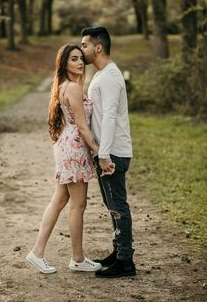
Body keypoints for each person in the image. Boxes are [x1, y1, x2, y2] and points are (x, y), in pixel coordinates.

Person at [26, 44, 112, 274]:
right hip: (74, 148)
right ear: (64, 63)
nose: (80, 62)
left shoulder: (63, 86)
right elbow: (83, 128)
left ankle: (37, 252)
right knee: (78, 204)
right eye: (74, 59)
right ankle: (77, 258)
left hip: (66, 146)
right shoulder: (72, 88)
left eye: (81, 58)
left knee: (60, 200)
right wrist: (100, 153)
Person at [81, 27, 136, 278]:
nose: (82, 50)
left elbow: (110, 117)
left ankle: (126, 262)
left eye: (85, 45)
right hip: (105, 151)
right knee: (110, 204)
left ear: (98, 47)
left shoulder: (111, 76)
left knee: (118, 206)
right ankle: (118, 252)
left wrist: (104, 155)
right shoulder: (102, 75)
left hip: (112, 152)